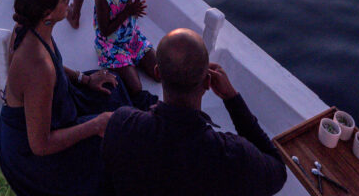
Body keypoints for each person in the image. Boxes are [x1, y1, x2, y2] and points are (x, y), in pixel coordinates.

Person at [102, 28, 287, 196]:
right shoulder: (235, 156)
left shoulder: (122, 124)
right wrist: (232, 98)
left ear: (157, 73)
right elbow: (278, 170)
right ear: (208, 82)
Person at [0, 0, 133, 196]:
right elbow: (40, 146)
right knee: (116, 144)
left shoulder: (29, 25)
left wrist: (85, 79)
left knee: (112, 85)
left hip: (54, 106)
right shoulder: (37, 67)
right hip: (34, 154)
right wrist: (96, 125)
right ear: (47, 13)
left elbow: (54, 66)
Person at [93, 0, 158, 106]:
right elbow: (105, 30)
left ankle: (134, 60)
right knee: (135, 88)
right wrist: (127, 12)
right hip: (112, 45)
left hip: (132, 37)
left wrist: (136, 9)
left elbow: (134, 4)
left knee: (159, 73)